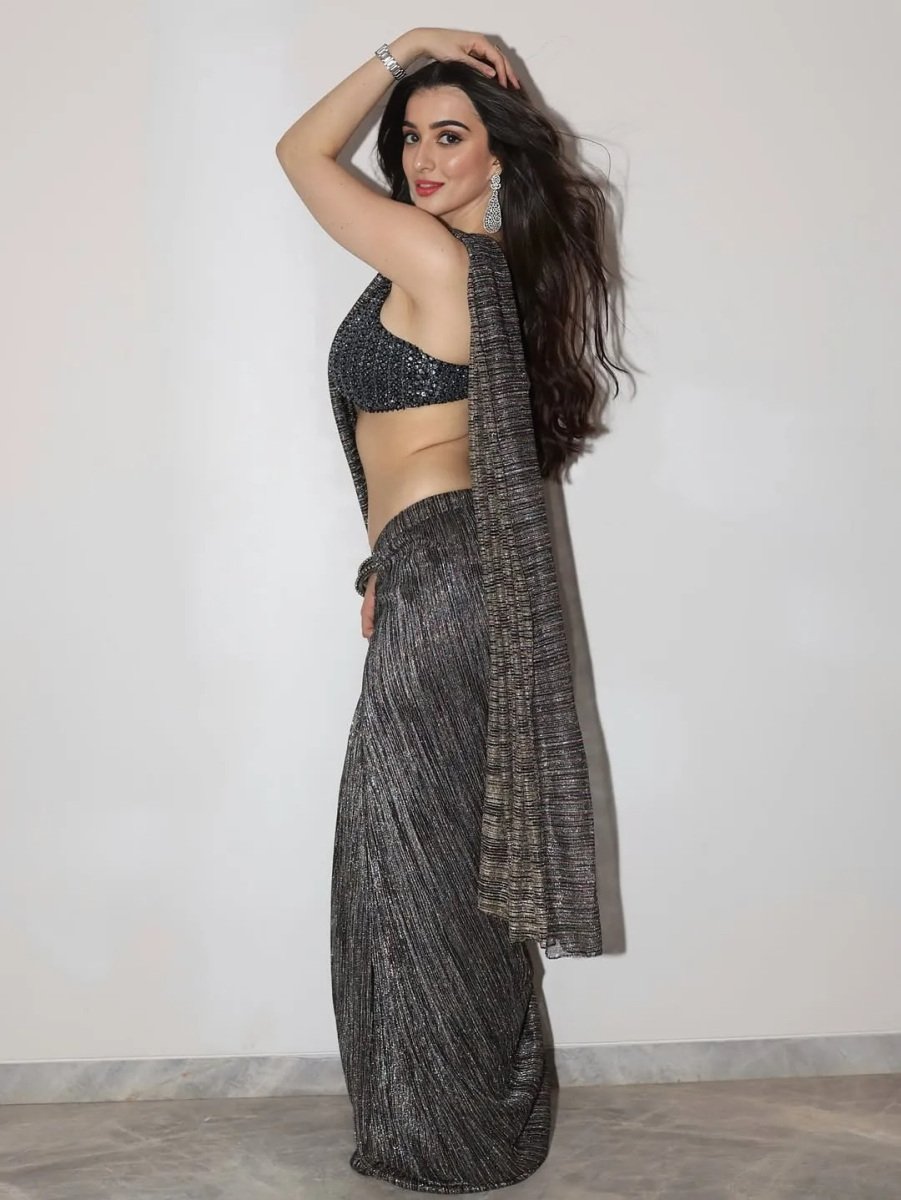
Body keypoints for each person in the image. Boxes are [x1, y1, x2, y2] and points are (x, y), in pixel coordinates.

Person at [276, 27, 627, 1192]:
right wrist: (387, 564)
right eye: (410, 139)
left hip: (444, 581)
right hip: (438, 569)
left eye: (449, 136)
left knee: (406, 865)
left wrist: (402, 50)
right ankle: (477, 1115)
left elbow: (297, 153)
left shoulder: (435, 259)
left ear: (496, 157)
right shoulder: (478, 269)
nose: (421, 160)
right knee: (435, 861)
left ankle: (448, 1130)